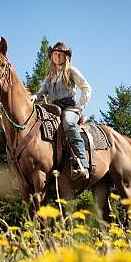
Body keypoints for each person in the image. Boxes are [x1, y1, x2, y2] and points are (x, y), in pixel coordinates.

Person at [31, 42, 92, 180]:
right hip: (53, 108)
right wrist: (34, 96)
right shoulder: (50, 77)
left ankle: (83, 164)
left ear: (66, 57)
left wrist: (80, 106)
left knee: (68, 124)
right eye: (54, 54)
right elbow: (41, 93)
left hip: (69, 107)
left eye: (60, 54)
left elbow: (86, 87)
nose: (57, 56)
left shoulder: (71, 71)